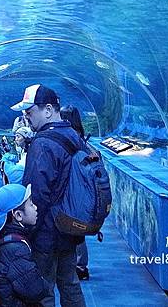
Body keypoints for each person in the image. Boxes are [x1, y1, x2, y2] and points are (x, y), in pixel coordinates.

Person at [11, 84, 86, 307]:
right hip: (70, 224)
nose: (26, 117)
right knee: (70, 283)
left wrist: (28, 229)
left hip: (47, 231)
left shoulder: (42, 143)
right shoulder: (73, 135)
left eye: (29, 111)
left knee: (42, 289)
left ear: (48, 109)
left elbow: (37, 193)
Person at [0, 183, 51, 307]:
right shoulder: (15, 249)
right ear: (18, 215)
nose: (35, 207)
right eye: (30, 204)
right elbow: (36, 290)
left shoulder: (5, 236)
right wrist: (44, 282)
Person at [60, 105, 90, 281]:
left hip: (73, 190)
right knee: (78, 229)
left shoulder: (71, 138)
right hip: (81, 191)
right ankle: (80, 265)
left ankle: (79, 265)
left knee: (76, 229)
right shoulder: (81, 138)